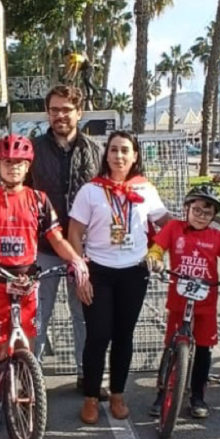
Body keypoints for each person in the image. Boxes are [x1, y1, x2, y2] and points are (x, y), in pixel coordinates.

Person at [0, 133, 85, 436]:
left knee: (27, 342)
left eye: (19, 163)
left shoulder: (39, 200)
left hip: (28, 281)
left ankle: (26, 391)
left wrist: (76, 260)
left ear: (28, 166)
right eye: (7, 162)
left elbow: (56, 238)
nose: (13, 167)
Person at [66, 128, 167, 423]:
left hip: (134, 273)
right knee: (98, 336)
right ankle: (91, 397)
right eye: (113, 150)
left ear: (135, 156)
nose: (119, 155)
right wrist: (80, 272)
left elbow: (164, 222)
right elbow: (74, 232)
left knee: (124, 336)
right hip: (98, 271)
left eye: (125, 150)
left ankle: (119, 395)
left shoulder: (145, 189)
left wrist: (197, 220)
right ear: (105, 155)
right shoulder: (91, 190)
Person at [149, 180, 220, 417]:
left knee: (204, 349)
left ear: (214, 216)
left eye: (207, 212)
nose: (201, 216)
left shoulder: (217, 237)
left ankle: (198, 396)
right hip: (178, 300)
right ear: (187, 208)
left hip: (206, 302)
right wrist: (155, 259)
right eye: (196, 210)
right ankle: (162, 393)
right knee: (171, 346)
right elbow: (157, 247)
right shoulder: (173, 228)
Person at [26, 81, 103, 366]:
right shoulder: (32, 150)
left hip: (85, 249)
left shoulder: (96, 151)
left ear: (79, 112)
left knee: (84, 313)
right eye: (54, 110)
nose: (60, 115)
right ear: (47, 113)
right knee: (38, 314)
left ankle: (87, 374)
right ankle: (31, 377)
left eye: (67, 110)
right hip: (44, 248)